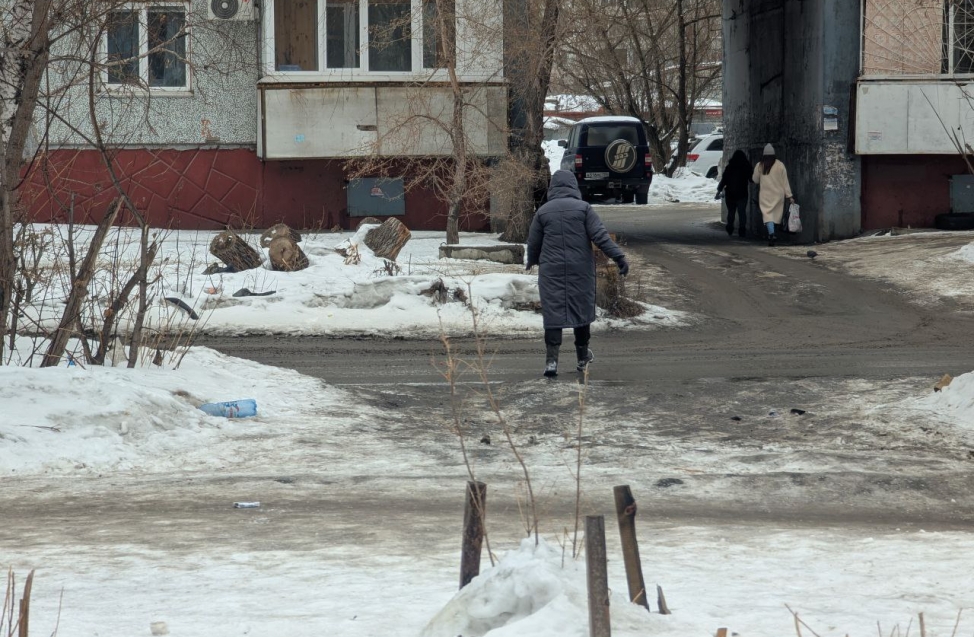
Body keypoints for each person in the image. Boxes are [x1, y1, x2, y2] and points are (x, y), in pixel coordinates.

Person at [526, 170, 628, 378]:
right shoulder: (584, 209)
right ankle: (582, 357)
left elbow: (534, 243)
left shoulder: (543, 212)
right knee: (581, 312)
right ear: (573, 186)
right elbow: (600, 236)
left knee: (553, 313)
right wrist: (618, 257)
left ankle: (551, 361)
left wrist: (532, 261)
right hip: (580, 269)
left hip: (551, 270)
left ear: (552, 187)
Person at [752, 143, 794, 246]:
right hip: (778, 195)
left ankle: (771, 234)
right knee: (776, 215)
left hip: (765, 195)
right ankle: (773, 232)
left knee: (768, 216)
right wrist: (789, 196)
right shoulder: (780, 165)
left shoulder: (760, 165)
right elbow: (785, 182)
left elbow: (755, 180)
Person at [716, 149, 752, 237]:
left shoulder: (729, 167)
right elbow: (752, 179)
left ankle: (730, 227)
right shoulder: (746, 167)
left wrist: (719, 190)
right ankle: (742, 229)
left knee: (731, 212)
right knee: (742, 212)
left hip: (730, 194)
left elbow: (724, 180)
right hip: (742, 194)